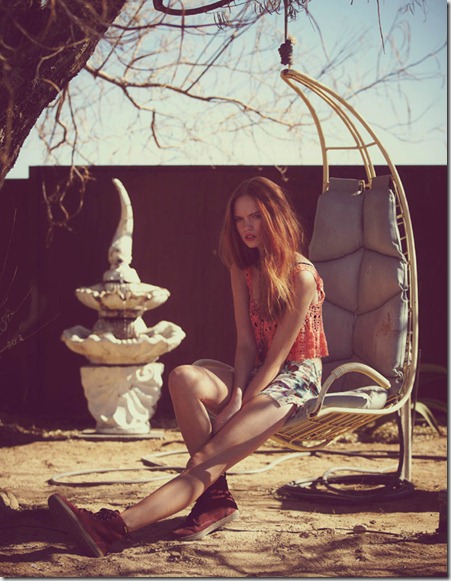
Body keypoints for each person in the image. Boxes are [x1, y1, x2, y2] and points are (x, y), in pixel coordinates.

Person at [48, 176, 328, 558]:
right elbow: (246, 344)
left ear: (275, 217)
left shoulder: (302, 277)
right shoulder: (243, 267)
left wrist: (239, 408)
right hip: (259, 370)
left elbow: (279, 359)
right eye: (239, 219)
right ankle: (215, 500)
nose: (246, 226)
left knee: (204, 458)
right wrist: (236, 396)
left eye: (256, 217)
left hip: (294, 379)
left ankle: (113, 527)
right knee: (183, 377)